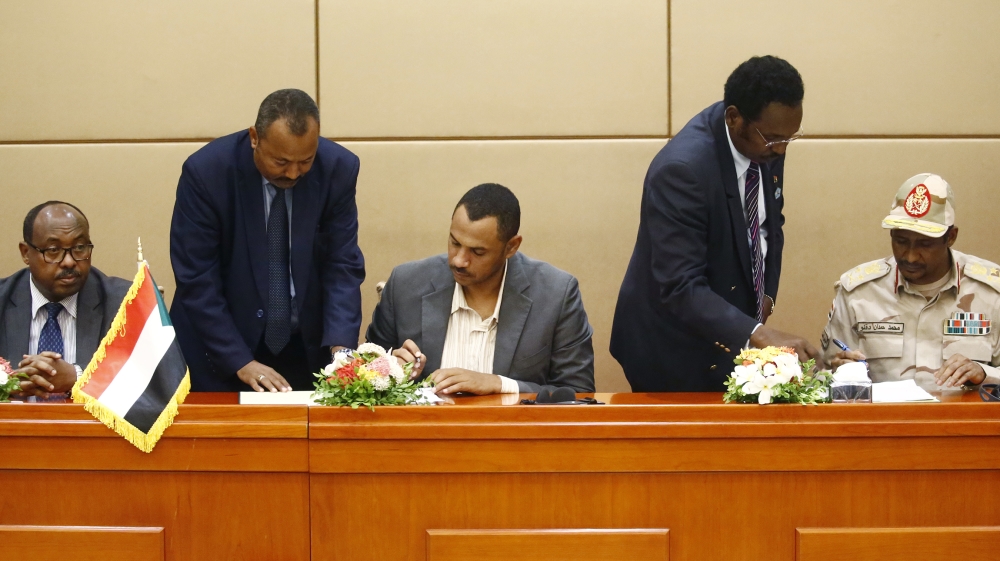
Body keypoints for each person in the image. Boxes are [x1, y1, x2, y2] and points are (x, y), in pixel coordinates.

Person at [611, 55, 819, 392]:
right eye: (773, 140)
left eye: (790, 138)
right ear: (734, 118)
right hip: (670, 347)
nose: (781, 150)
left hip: (727, 332)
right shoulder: (682, 170)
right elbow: (680, 286)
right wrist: (757, 333)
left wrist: (766, 294)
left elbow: (769, 223)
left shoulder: (765, 140)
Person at [170, 89, 365, 392]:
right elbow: (197, 278)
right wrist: (240, 360)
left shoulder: (338, 169)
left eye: (305, 161)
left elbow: (342, 264)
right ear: (254, 138)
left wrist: (341, 351)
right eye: (281, 161)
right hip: (221, 349)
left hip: (303, 348)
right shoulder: (207, 173)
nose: (293, 173)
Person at [366, 183, 595, 395]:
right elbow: (362, 377)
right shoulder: (405, 284)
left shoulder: (556, 294)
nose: (459, 260)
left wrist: (499, 384)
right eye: (455, 243)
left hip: (512, 435)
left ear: (511, 247)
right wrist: (387, 370)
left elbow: (579, 393)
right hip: (425, 434)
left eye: (477, 252)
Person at [822, 173, 1000, 390]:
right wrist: (837, 371)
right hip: (882, 422)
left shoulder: (992, 293)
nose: (910, 256)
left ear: (951, 236)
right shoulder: (858, 293)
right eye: (900, 241)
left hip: (965, 422)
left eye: (925, 244)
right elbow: (822, 377)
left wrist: (985, 373)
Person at [0, 202, 130, 399]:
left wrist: (79, 377)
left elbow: (152, 380)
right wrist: (7, 386)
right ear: (26, 253)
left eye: (79, 247)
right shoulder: (3, 299)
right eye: (53, 250)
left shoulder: (125, 302)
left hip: (94, 429)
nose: (69, 261)